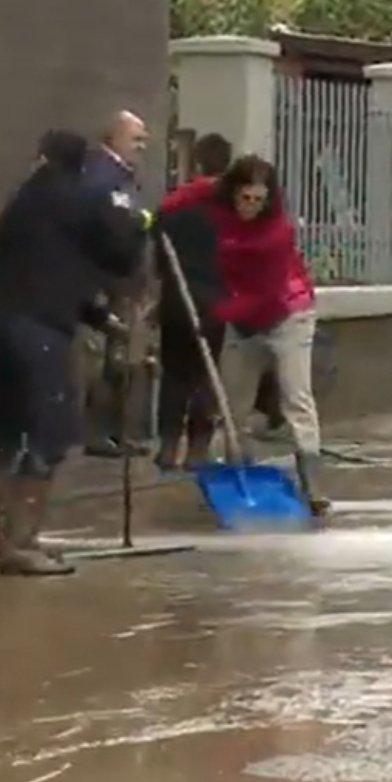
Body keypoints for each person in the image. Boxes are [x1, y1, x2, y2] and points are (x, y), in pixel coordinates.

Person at [0, 130, 144, 576]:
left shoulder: (19, 205)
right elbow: (121, 254)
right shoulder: (84, 200)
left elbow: (44, 267)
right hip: (39, 330)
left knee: (2, 433)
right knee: (50, 431)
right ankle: (22, 544)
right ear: (81, 164)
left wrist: (97, 317)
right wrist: (139, 222)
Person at [208, 155, 331, 516]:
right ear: (233, 192)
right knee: (232, 405)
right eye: (245, 198)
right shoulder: (217, 213)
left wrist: (217, 313)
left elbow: (265, 294)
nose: (251, 207)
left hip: (286, 314)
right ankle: (234, 474)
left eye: (259, 201)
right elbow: (192, 197)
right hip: (241, 316)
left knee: (296, 397)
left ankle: (313, 484)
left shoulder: (276, 234)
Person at [152, 132, 233, 471]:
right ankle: (198, 448)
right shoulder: (231, 211)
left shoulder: (174, 207)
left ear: (196, 163)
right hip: (216, 302)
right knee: (205, 373)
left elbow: (158, 255)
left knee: (174, 374)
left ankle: (168, 446)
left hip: (176, 300)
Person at [81, 110, 154, 459]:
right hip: (106, 280)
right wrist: (139, 221)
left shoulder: (125, 175)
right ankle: (100, 434)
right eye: (136, 138)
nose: (143, 145)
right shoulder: (101, 175)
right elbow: (112, 222)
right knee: (106, 359)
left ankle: (118, 433)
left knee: (123, 360)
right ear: (114, 137)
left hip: (125, 280)